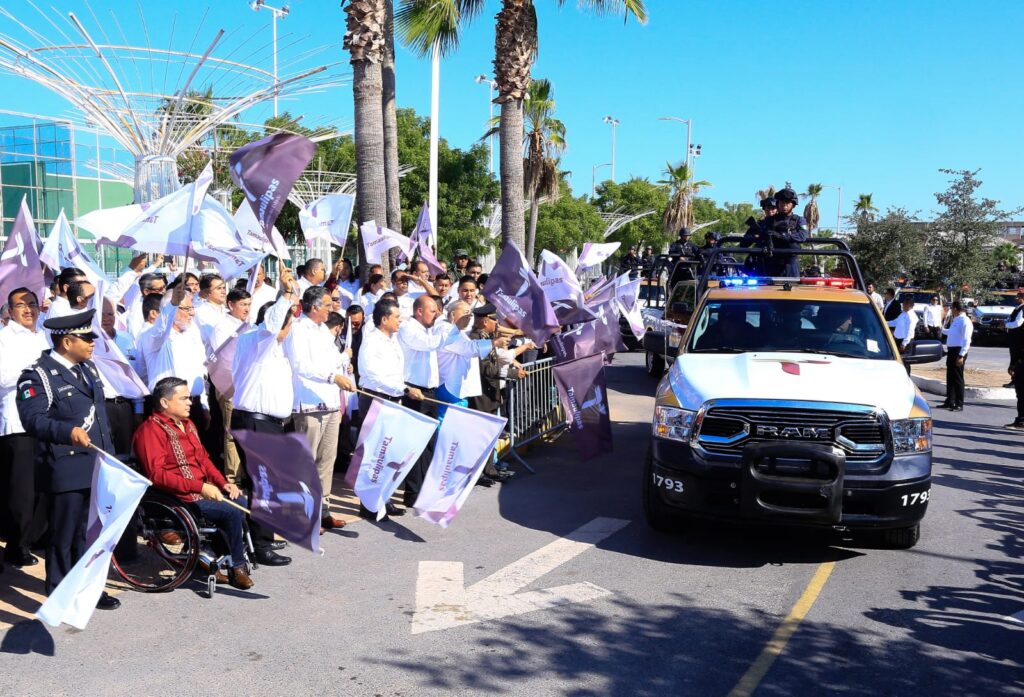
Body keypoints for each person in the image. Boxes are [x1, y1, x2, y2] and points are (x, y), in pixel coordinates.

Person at [16, 309, 119, 609]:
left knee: (89, 534)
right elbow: (32, 420)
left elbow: (100, 417)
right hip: (66, 464)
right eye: (86, 338)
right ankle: (61, 593)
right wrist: (66, 431)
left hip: (97, 463)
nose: (92, 343)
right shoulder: (39, 375)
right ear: (66, 341)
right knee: (64, 533)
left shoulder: (88, 369)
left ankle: (88, 587)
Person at [133, 377, 254, 589]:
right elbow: (157, 474)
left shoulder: (188, 425)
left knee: (239, 500)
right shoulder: (150, 431)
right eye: (184, 398)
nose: (190, 402)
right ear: (164, 402)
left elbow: (204, 460)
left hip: (202, 491)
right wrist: (200, 487)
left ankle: (209, 556)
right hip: (178, 498)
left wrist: (223, 483)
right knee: (231, 511)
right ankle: (237, 566)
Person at [284, 286, 356, 532]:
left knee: (327, 461)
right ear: (314, 307)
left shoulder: (323, 331)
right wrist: (332, 377)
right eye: (327, 305)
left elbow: (333, 361)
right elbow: (301, 365)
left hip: (331, 403)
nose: (332, 308)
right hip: (309, 404)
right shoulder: (298, 330)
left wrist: (344, 360)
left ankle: (323, 510)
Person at [357, 299, 423, 518]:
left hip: (393, 399)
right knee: (375, 453)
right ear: (384, 319)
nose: (400, 321)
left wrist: (402, 390)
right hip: (377, 398)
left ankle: (383, 498)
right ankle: (368, 505)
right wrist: (404, 389)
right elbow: (374, 375)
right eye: (396, 317)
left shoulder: (392, 339)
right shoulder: (372, 341)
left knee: (389, 452)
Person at [0, 288, 49, 570]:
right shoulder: (5, 338)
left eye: (32, 304)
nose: (29, 309)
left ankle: (34, 538)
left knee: (43, 484)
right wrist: (36, 369)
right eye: (22, 305)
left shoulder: (42, 335)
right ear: (10, 310)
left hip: (45, 420)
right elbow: (5, 377)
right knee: (21, 490)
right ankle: (15, 545)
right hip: (17, 421)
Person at [142, 282, 210, 428]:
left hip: (194, 404)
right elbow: (161, 330)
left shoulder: (192, 334)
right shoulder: (152, 337)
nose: (192, 313)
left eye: (192, 308)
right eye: (186, 308)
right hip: (168, 407)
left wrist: (204, 405)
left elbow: (200, 372)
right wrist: (172, 304)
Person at [760, 188, 808, 277]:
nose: (784, 205)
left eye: (788, 203)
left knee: (792, 287)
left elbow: (803, 236)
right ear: (778, 204)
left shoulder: (799, 220)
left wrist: (784, 236)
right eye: (782, 202)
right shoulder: (769, 220)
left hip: (791, 261)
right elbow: (759, 235)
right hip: (773, 261)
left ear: (793, 205)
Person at [940, 301, 972, 411]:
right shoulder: (956, 319)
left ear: (956, 309)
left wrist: (961, 355)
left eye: (952, 308)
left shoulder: (965, 321)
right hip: (952, 350)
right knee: (950, 376)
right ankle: (950, 400)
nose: (951, 310)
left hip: (959, 351)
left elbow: (966, 340)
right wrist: (941, 325)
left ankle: (959, 403)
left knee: (958, 378)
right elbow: (950, 332)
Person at [892, 297, 919, 374]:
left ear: (909, 305)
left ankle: (906, 377)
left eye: (904, 304)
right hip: (898, 340)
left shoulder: (911, 316)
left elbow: (910, 331)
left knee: (905, 362)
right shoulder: (903, 313)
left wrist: (904, 343)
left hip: (905, 342)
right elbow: (895, 322)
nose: (902, 305)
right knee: (898, 361)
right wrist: (884, 322)